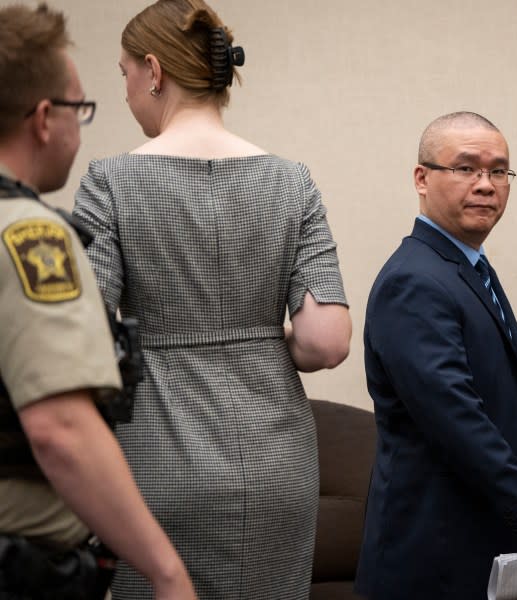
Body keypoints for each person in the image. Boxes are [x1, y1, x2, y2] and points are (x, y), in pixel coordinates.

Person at [71, 0, 351, 597]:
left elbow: (85, 335)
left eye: (123, 74)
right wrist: (252, 333)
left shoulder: (109, 182)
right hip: (276, 469)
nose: (124, 92)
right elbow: (326, 342)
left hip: (151, 461)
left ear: (153, 70)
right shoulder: (291, 181)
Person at [0, 3, 196, 599]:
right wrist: (165, 571)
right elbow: (60, 427)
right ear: (42, 118)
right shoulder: (31, 235)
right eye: (79, 109)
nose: (80, 128)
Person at [355, 111, 517, 599]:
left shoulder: (465, 267)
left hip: (476, 546)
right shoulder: (413, 281)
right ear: (422, 178)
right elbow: (457, 421)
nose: (486, 185)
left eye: (498, 171)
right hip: (432, 558)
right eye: (465, 168)